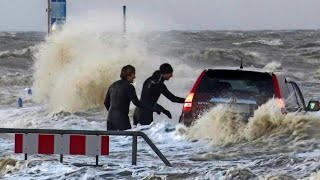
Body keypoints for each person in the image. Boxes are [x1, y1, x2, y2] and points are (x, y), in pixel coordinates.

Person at [104, 65, 159, 131]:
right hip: (122, 118)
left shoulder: (113, 85)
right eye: (133, 74)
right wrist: (152, 108)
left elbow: (106, 102)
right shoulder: (129, 87)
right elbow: (137, 103)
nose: (134, 77)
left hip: (110, 118)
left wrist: (113, 113)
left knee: (111, 140)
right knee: (128, 138)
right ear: (128, 74)